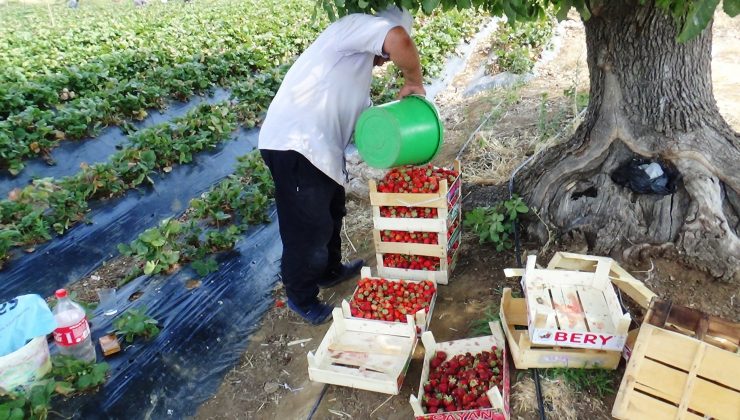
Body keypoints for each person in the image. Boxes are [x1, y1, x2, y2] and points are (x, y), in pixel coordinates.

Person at [259, 6, 426, 325]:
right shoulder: (354, 27)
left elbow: (368, 127)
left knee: (333, 212)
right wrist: (414, 81)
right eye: (387, 56)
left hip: (319, 151)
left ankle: (330, 271)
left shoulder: (356, 70)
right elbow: (399, 39)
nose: (385, 60)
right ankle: (300, 297)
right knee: (308, 229)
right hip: (295, 145)